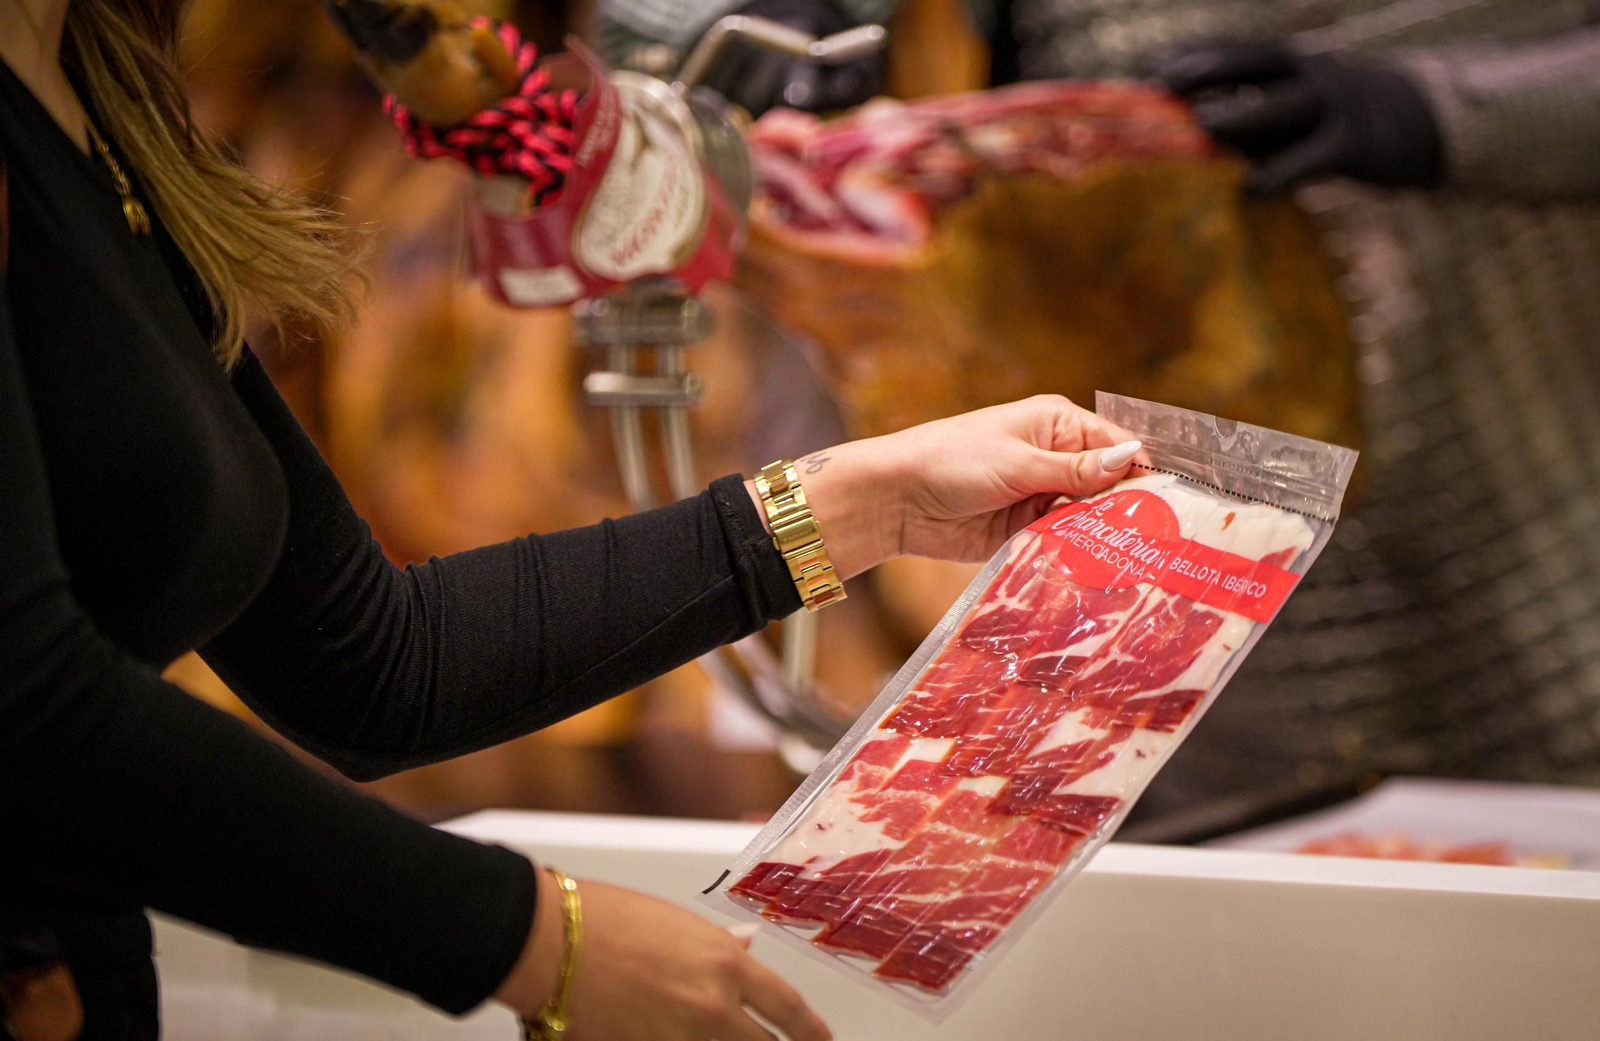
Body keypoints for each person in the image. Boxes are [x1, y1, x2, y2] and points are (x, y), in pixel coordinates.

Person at [0, 1, 1148, 1038]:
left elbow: (371, 662)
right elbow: (29, 701)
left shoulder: (99, 99)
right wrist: (536, 939)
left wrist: (870, 500)